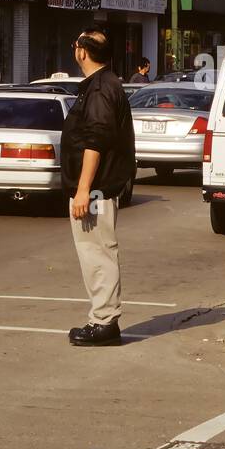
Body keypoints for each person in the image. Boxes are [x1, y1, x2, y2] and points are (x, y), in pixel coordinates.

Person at [62, 29, 136, 347]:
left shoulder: (102, 89)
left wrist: (83, 190)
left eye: (76, 44)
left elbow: (96, 141)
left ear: (82, 53)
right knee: (95, 252)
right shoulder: (102, 84)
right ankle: (103, 317)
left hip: (96, 190)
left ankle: (104, 321)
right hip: (97, 188)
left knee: (98, 253)